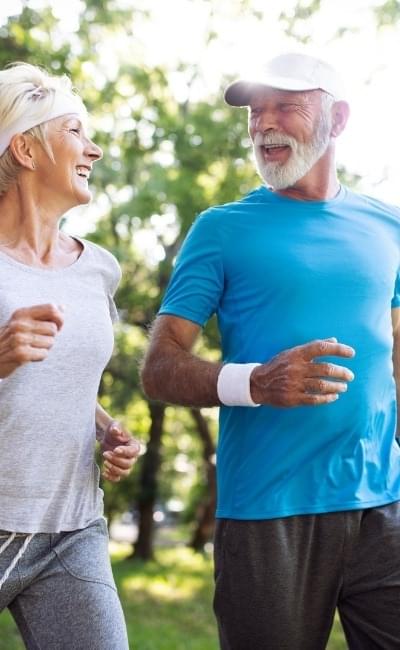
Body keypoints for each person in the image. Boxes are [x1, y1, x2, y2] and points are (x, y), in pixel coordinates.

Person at [141, 52, 400, 649]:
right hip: (267, 513)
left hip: (383, 506)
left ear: (337, 119)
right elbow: (159, 369)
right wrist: (253, 383)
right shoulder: (221, 228)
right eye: (256, 112)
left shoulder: (387, 227)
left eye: (286, 106)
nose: (264, 123)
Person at [0, 62, 140, 649]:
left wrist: (108, 429)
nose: (96, 149)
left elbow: (69, 384)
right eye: (76, 132)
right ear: (26, 150)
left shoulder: (98, 267)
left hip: (71, 528)